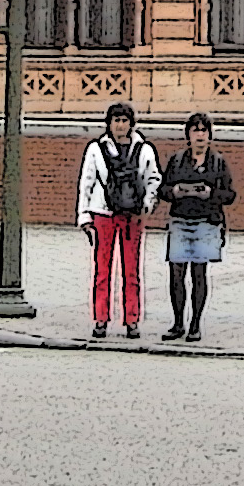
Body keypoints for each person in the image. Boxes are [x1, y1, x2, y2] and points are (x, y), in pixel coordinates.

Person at [75, 103, 161, 339]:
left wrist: (147, 205)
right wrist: (84, 216)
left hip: (132, 215)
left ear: (131, 123)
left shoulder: (144, 150)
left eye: (124, 120)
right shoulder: (95, 149)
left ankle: (132, 319)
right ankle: (101, 318)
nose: (120, 125)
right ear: (109, 123)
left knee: (131, 270)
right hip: (103, 214)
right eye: (116, 120)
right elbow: (86, 183)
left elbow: (153, 178)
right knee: (102, 270)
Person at [157, 112, 236, 342]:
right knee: (176, 273)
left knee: (199, 273)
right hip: (180, 220)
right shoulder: (177, 160)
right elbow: (163, 189)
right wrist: (175, 191)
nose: (200, 134)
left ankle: (195, 324)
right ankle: (178, 322)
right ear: (188, 135)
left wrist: (211, 193)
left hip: (206, 222)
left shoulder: (218, 162)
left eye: (204, 130)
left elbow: (230, 195)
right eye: (195, 130)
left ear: (210, 135)